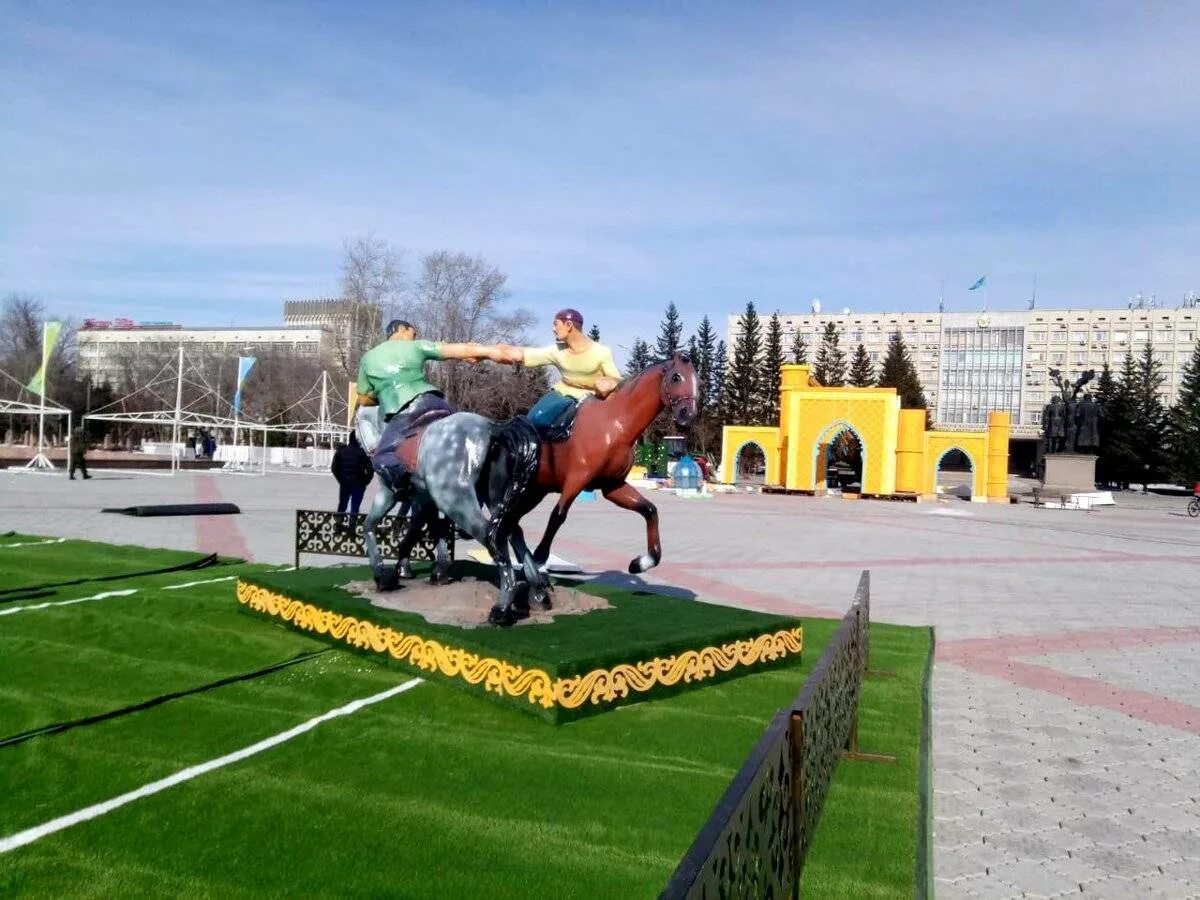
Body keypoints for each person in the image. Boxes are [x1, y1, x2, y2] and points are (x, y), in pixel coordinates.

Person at [355, 319, 507, 486]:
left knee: (382, 458)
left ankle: (411, 488)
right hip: (436, 404)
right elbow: (457, 350)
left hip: (405, 412)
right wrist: (486, 351)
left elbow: (363, 398)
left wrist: (381, 394)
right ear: (400, 329)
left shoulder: (368, 358)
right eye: (413, 333)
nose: (414, 337)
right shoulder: (417, 346)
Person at [493, 309, 621, 439]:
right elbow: (525, 355)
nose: (553, 329)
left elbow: (616, 378)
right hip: (562, 394)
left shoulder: (601, 352)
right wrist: (486, 351)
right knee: (535, 418)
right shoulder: (557, 351)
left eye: (556, 324)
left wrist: (610, 382)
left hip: (590, 399)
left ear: (569, 325)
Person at [331, 432, 374, 521]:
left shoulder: (341, 451)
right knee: (355, 506)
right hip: (359, 482)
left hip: (345, 482)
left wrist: (341, 479)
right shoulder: (362, 453)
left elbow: (334, 468)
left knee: (342, 504)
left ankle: (339, 525)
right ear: (358, 440)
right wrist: (366, 481)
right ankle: (352, 527)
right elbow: (370, 469)